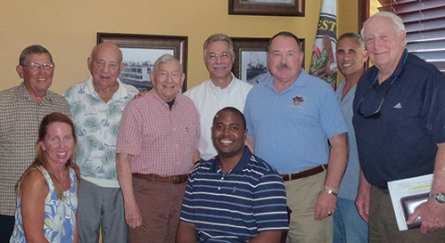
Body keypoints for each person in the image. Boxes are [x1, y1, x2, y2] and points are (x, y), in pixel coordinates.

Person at [244, 31, 348, 243]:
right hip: (266, 189)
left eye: (290, 54)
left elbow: (340, 144)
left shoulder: (320, 91)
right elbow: (249, 142)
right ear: (268, 58)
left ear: (300, 57)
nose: (283, 61)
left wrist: (330, 191)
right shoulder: (255, 93)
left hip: (308, 190)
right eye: (276, 54)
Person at [354, 12, 445, 242]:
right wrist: (364, 187)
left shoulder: (427, 79)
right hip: (378, 197)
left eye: (384, 36)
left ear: (403, 38)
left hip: (419, 198)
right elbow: (368, 139)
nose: (377, 45)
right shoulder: (366, 80)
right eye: (370, 39)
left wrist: (439, 200)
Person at [0, 45, 71, 243]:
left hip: (51, 207)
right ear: (21, 71)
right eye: (35, 66)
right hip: (7, 206)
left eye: (47, 65)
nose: (42, 72)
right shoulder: (0, 104)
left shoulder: (61, 105)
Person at [116, 54, 200, 243]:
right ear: (153, 77)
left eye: (175, 75)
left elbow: (194, 149)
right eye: (163, 74)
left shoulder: (189, 106)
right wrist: (130, 204)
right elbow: (123, 159)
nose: (169, 80)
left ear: (182, 78)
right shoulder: (137, 108)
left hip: (183, 194)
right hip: (148, 194)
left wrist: (198, 163)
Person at [176, 107, 289, 243]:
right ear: (212, 132)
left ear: (244, 134)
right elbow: (187, 225)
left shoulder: (266, 178)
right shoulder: (199, 175)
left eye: (234, 128)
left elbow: (271, 235)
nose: (225, 133)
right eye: (220, 127)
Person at [64, 42, 138, 243]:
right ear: (90, 64)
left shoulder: (134, 97)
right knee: (81, 238)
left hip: (122, 186)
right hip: (84, 183)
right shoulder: (73, 95)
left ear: (121, 68)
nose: (106, 70)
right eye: (100, 63)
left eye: (113, 65)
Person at [10, 112, 80, 243]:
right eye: (54, 139)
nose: (62, 145)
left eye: (67, 138)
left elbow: (73, 225)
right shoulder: (36, 179)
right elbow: (34, 239)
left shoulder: (73, 174)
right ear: (43, 144)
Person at [184, 33, 253, 161]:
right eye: (212, 56)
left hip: (243, 170)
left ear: (233, 58)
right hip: (205, 170)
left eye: (224, 55)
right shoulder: (190, 98)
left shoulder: (252, 95)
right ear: (205, 61)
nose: (218, 61)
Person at [334, 32, 369, 243]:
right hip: (335, 188)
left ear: (365, 55)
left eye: (351, 51)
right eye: (340, 52)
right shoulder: (337, 91)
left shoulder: (370, 92)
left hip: (358, 190)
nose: (345, 57)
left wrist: (365, 188)